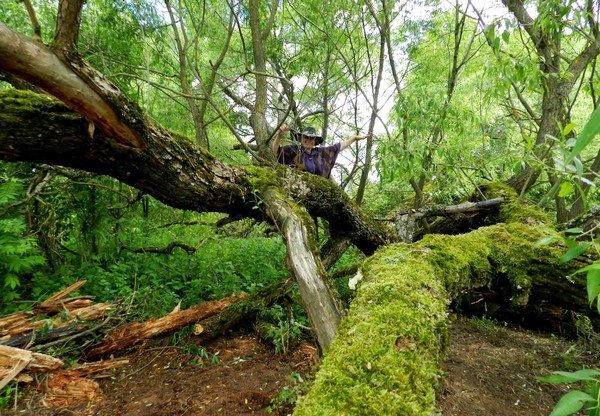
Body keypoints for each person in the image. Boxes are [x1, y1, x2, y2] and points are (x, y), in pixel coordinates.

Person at [272, 124, 370, 179]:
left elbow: (337, 147)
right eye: (306, 137)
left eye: (311, 138)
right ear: (301, 138)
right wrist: (279, 136)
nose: (308, 140)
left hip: (318, 193)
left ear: (315, 141)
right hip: (296, 190)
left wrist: (353, 139)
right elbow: (275, 151)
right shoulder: (292, 150)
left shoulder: (321, 152)